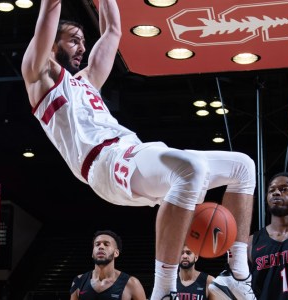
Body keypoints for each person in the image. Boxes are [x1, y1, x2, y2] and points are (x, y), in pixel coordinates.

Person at [21, 0, 257, 299]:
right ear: (52, 45)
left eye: (83, 41)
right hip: (104, 162)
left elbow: (113, 30)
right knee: (191, 169)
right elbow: (48, 14)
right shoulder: (38, 75)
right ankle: (164, 291)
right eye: (73, 41)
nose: (82, 47)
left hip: (130, 152)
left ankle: (238, 276)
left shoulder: (87, 83)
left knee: (243, 166)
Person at [69, 230, 147, 300]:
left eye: (106, 244)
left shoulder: (132, 283)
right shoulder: (79, 281)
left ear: (116, 253)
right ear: (92, 253)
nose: (101, 247)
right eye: (97, 244)